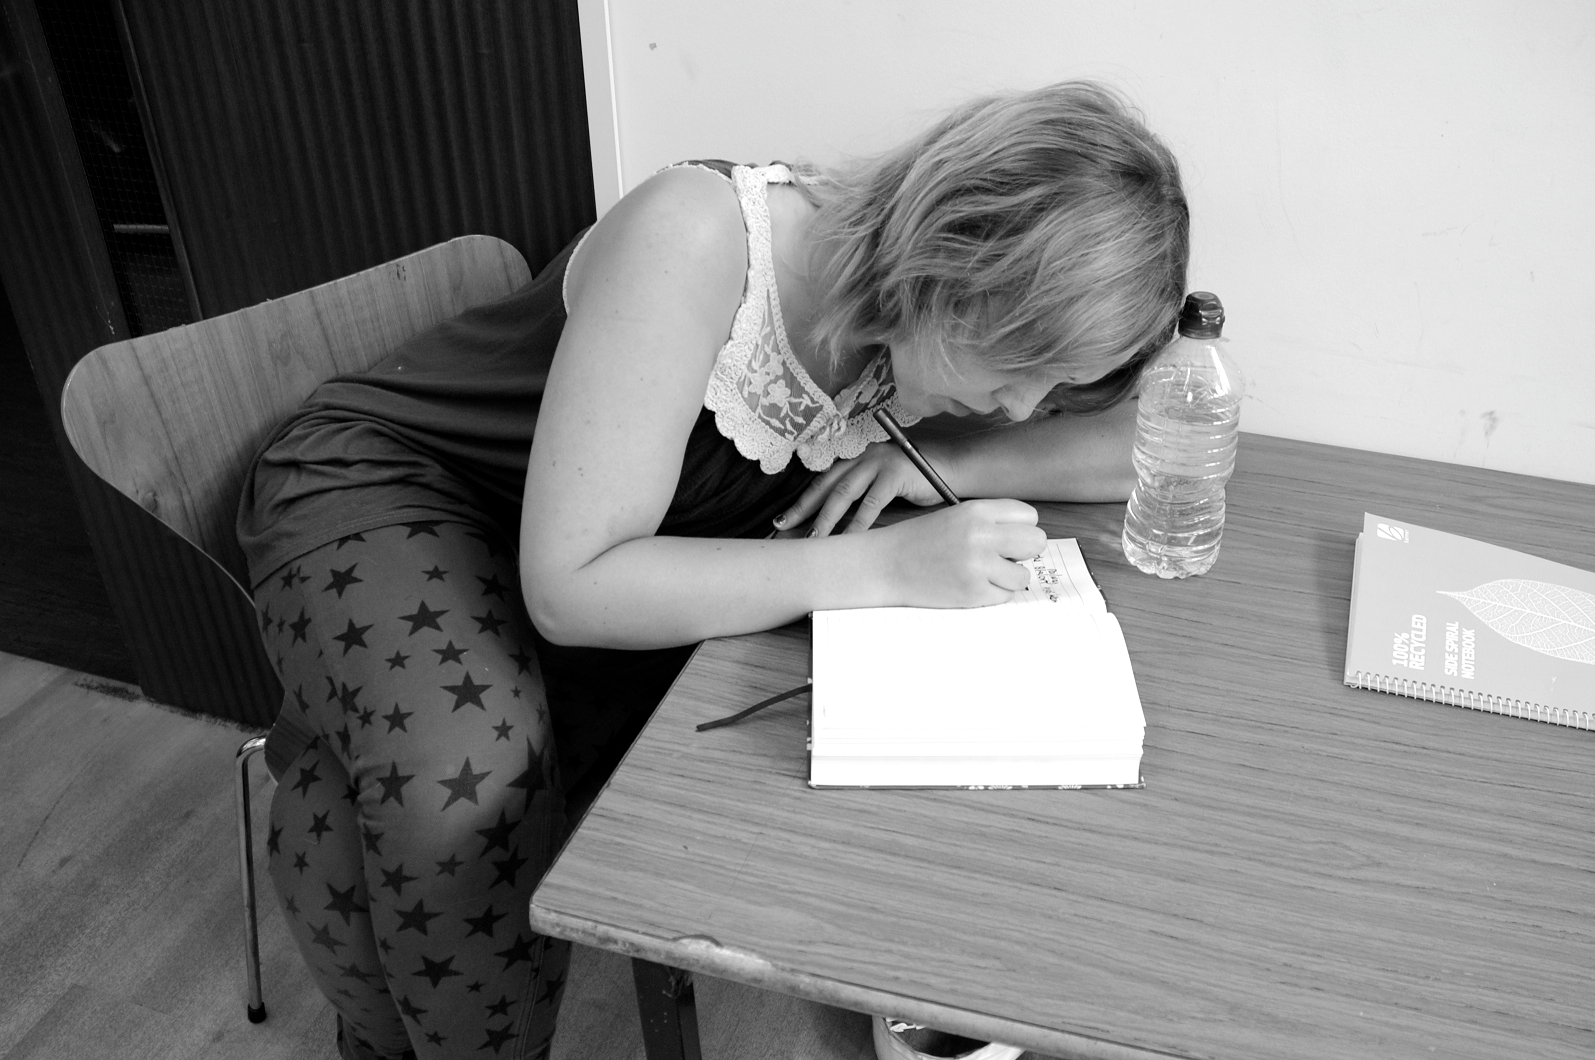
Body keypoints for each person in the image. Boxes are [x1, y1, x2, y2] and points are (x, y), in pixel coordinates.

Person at [237, 79, 1188, 1060]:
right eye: (1021, 366)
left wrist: (951, 457)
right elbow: (573, 593)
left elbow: (1149, 444)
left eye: (1052, 386)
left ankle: (363, 905)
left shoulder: (916, 326)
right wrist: (883, 565)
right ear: (958, 258)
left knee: (463, 792)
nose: (1026, 406)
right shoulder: (698, 238)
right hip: (399, 488)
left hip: (572, 556)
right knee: (468, 780)